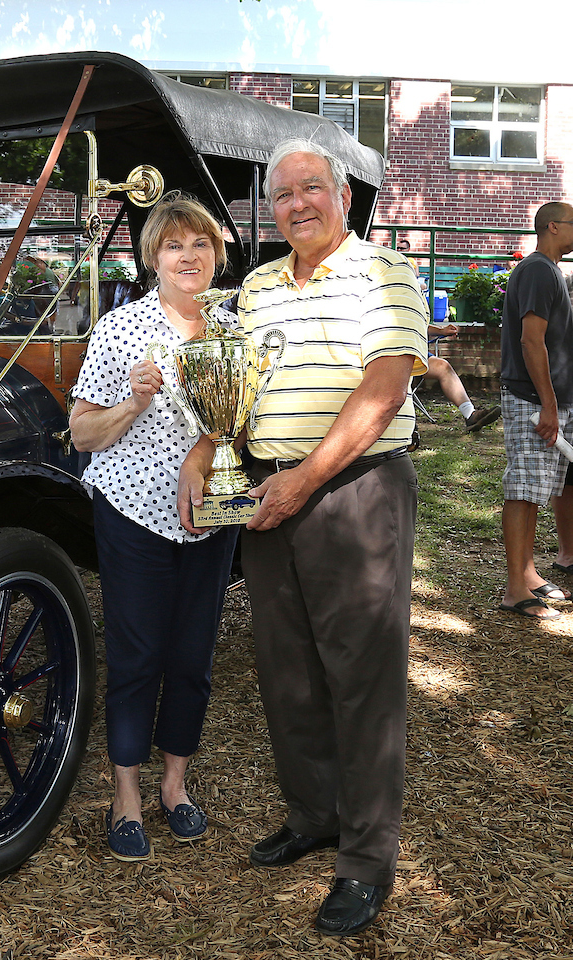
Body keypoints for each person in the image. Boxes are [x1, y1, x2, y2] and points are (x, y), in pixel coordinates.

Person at [180, 139, 427, 936]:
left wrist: (304, 479)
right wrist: (205, 452)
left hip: (354, 492)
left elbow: (384, 389)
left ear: (342, 197)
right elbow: (231, 388)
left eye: (310, 189)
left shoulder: (384, 272)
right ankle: (314, 814)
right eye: (281, 195)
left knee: (362, 677)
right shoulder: (253, 286)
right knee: (286, 669)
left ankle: (365, 858)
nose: (296, 205)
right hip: (265, 493)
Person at [69, 193, 238, 862]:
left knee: (193, 656)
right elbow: (83, 433)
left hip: (213, 512)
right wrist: (134, 403)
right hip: (134, 512)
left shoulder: (234, 328)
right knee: (138, 656)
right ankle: (127, 795)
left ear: (215, 255)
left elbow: (251, 421)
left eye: (200, 243)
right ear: (153, 258)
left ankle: (176, 787)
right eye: (175, 245)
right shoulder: (121, 330)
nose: (189, 255)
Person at [498, 201, 573, 619]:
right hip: (532, 401)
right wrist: (548, 403)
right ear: (554, 227)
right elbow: (531, 341)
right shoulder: (539, 270)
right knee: (524, 492)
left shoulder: (549, 271)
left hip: (547, 400)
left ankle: (527, 574)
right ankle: (514, 589)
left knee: (537, 492)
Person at [397, 243, 500, 432]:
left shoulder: (414, 296)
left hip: (416, 353)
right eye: (413, 275)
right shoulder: (395, 296)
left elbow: (418, 325)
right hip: (396, 354)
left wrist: (441, 331)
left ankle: (470, 415)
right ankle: (405, 427)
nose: (418, 280)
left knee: (444, 367)